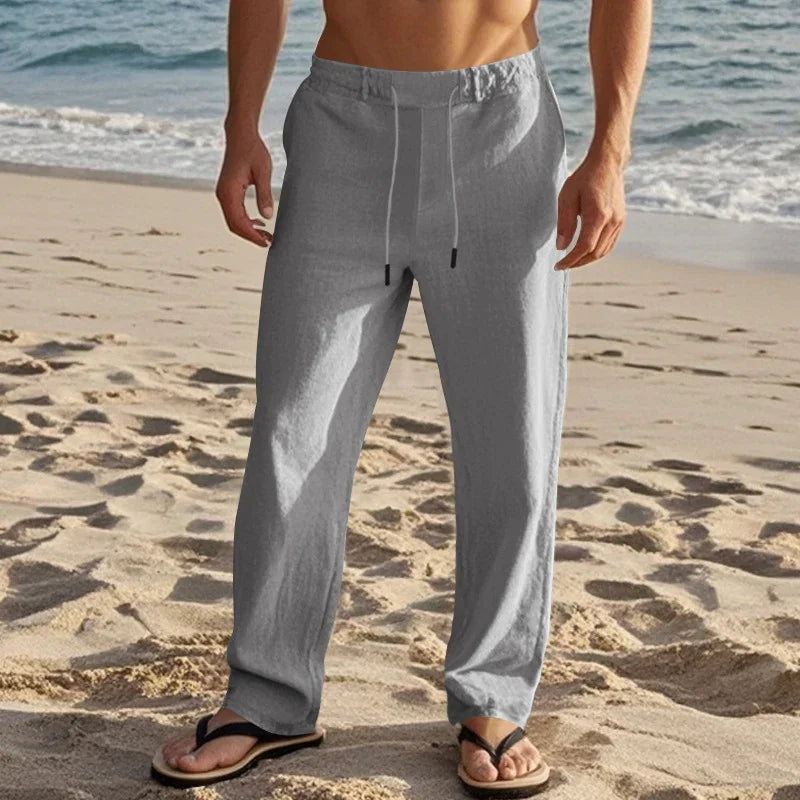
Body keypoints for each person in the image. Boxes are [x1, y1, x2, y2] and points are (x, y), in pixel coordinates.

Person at [150, 0, 650, 795]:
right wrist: (239, 126)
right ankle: (268, 698)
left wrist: (610, 153)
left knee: (510, 438)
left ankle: (491, 697)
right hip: (343, 128)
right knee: (294, 431)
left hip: (502, 132)